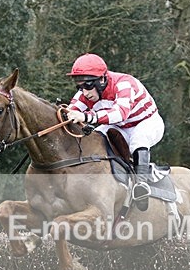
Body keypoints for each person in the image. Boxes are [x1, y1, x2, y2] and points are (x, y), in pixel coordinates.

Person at [65, 53, 164, 210]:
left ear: (102, 80)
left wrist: (86, 116)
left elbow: (120, 113)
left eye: (88, 85)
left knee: (138, 139)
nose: (85, 92)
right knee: (95, 138)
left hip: (145, 122)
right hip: (119, 126)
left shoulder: (124, 83)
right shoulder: (86, 93)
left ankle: (141, 184)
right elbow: (70, 111)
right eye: (80, 86)